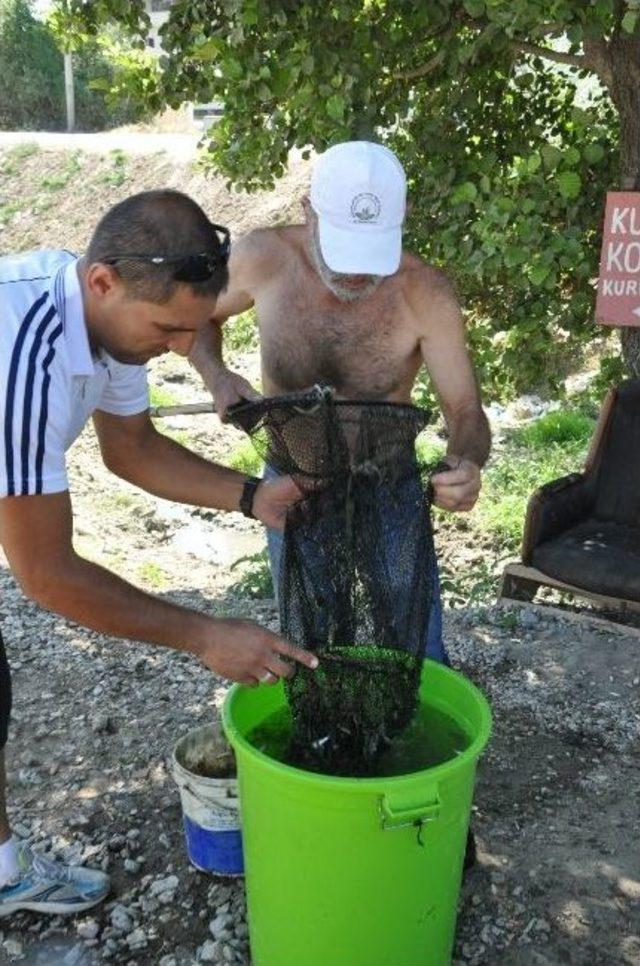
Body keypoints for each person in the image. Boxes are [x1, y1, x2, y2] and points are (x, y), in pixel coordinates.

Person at [0, 189, 317, 917]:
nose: (182, 348)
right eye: (169, 329)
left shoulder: (109, 326)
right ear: (103, 280)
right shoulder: (26, 349)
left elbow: (131, 449)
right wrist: (205, 634)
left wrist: (250, 496)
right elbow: (46, 574)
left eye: (193, 330)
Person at [190, 140, 492, 663]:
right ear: (308, 213)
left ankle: (421, 738)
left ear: (402, 220)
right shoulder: (262, 258)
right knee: (310, 642)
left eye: (371, 250)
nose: (356, 273)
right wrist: (217, 376)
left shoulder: (426, 293)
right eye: (342, 247)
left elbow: (465, 409)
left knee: (415, 643)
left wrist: (467, 461)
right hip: (293, 482)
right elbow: (194, 316)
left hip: (390, 484)